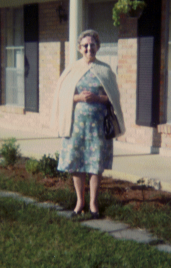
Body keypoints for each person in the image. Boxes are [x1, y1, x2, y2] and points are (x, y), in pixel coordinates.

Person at [50, 29, 125, 218]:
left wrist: (98, 98)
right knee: (76, 163)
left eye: (92, 45)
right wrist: (78, 97)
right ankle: (79, 201)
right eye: (85, 45)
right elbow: (62, 94)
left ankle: (93, 203)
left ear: (98, 47)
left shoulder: (105, 70)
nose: (89, 48)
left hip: (98, 126)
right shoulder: (72, 69)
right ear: (79, 48)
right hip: (76, 125)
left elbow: (113, 97)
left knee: (95, 164)